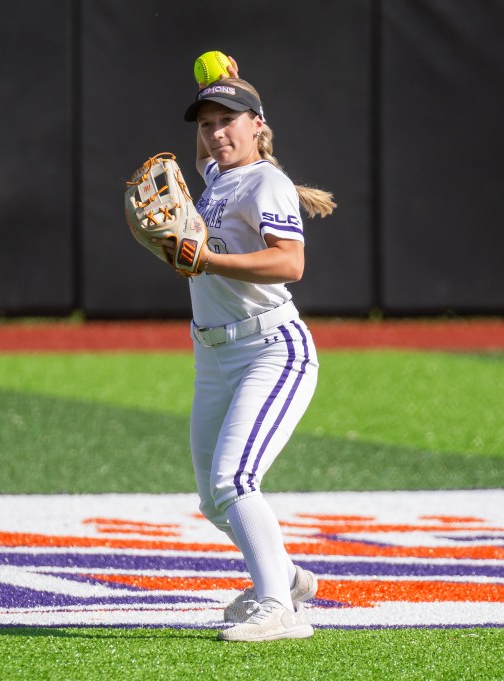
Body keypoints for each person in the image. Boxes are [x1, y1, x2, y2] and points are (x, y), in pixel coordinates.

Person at [163, 58, 336, 642]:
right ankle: (285, 576)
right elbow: (203, 156)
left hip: (271, 348)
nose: (217, 132)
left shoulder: (267, 181)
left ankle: (277, 610)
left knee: (236, 479)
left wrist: (208, 260)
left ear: (258, 124)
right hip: (213, 356)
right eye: (207, 123)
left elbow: (291, 262)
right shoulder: (216, 179)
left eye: (229, 120)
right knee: (216, 499)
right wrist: (213, 90)